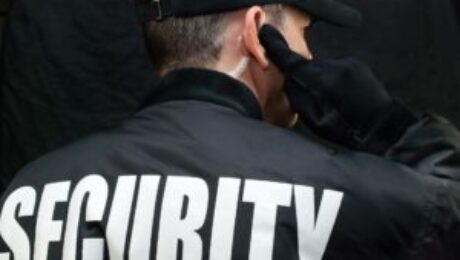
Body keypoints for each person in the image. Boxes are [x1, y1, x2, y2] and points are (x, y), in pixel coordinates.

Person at [0, 0, 459, 259]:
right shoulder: (349, 197)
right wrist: (389, 127)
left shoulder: (30, 194)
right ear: (259, 34)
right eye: (304, 33)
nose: (310, 55)